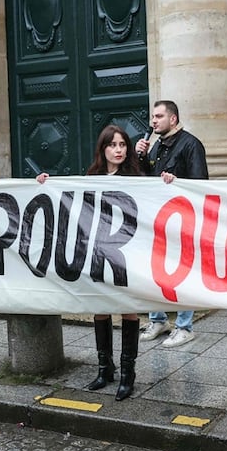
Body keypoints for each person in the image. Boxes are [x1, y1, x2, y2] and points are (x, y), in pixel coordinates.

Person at [37, 125, 144, 400]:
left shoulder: (136, 176)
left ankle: (127, 373)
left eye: (122, 145)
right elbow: (72, 197)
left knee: (128, 309)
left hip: (125, 252)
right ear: (103, 149)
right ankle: (104, 368)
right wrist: (48, 183)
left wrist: (167, 180)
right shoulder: (92, 176)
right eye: (113, 145)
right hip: (98, 250)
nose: (119, 150)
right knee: (100, 308)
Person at [134, 99, 209, 347]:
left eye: (158, 117)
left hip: (182, 219)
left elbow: (200, 184)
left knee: (182, 273)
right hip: (157, 219)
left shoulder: (191, 144)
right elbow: (148, 179)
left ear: (173, 119)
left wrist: (177, 181)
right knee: (154, 270)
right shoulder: (157, 146)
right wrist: (142, 158)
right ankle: (158, 320)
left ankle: (184, 326)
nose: (153, 121)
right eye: (152, 118)